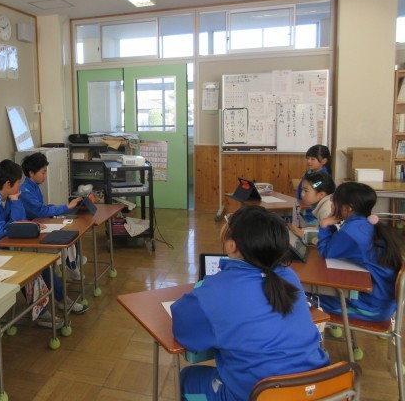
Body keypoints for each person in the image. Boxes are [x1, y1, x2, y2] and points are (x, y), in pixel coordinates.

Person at [171, 205, 328, 401]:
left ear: (232, 245)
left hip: (260, 394)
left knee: (187, 378)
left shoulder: (216, 291)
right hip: (317, 388)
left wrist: (203, 291)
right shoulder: (289, 275)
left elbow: (184, 331)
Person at [0, 159, 88, 327]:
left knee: (42, 264)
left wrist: (20, 215)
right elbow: (4, 230)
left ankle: (61, 298)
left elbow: (18, 223)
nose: (20, 186)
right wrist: (16, 203)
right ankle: (41, 313)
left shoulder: (6, 198)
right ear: (8, 184)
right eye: (18, 182)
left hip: (6, 247)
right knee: (29, 268)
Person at [317, 182, 401, 321]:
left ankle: (328, 330)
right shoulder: (365, 224)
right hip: (383, 301)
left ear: (348, 208)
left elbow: (326, 252)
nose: (332, 205)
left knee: (307, 296)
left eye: (334, 201)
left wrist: (324, 224)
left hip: (371, 307)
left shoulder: (351, 231)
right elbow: (335, 247)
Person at [19, 152, 85, 281]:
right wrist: (66, 207)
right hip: (33, 229)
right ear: (31, 173)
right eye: (43, 172)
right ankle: (71, 263)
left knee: (71, 231)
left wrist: (55, 207)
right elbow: (40, 211)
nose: (45, 175)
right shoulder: (25, 191)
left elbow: (40, 208)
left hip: (39, 223)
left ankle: (73, 260)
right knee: (66, 234)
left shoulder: (34, 186)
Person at [289, 171, 336, 239]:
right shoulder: (327, 203)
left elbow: (330, 240)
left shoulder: (327, 210)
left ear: (321, 195)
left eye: (306, 191)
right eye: (302, 189)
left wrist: (302, 234)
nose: (302, 194)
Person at [296, 144, 332, 225]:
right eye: (308, 158)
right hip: (304, 211)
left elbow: (313, 188)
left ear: (324, 161)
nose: (309, 161)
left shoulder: (323, 178)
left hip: (314, 216)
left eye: (313, 159)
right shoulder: (309, 173)